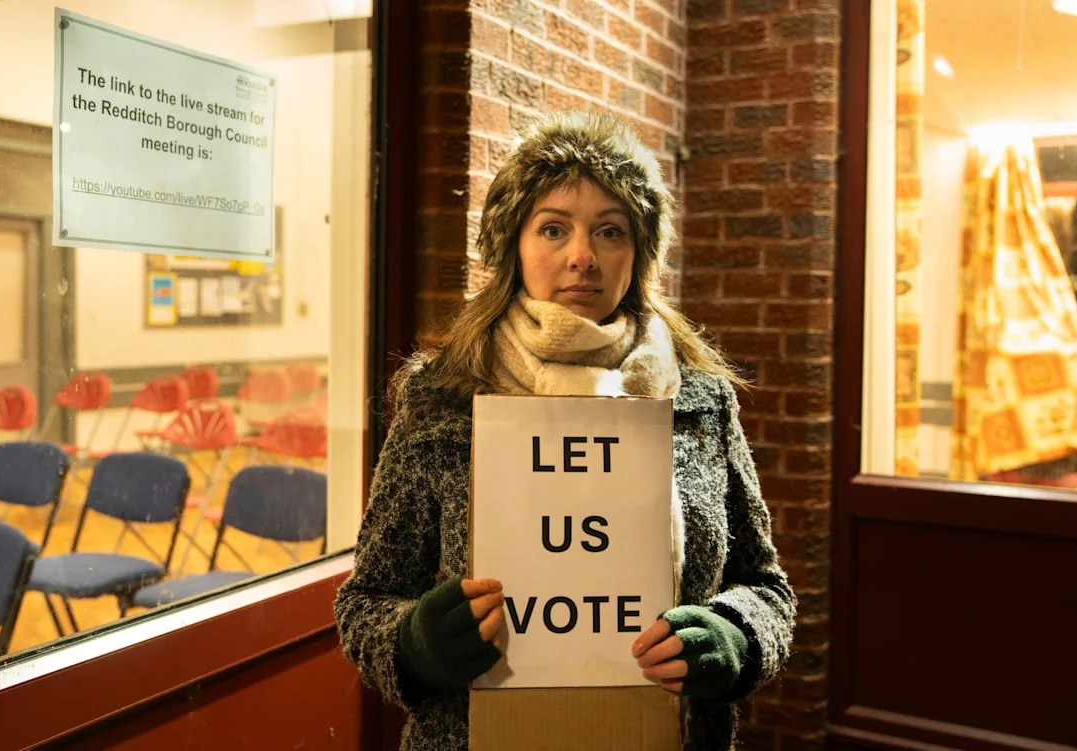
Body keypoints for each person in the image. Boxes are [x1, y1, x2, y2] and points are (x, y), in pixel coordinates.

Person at [335, 110, 796, 750]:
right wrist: (416, 643)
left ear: (637, 256)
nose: (582, 257)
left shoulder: (698, 400)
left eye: (610, 231)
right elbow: (366, 602)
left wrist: (734, 638)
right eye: (553, 228)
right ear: (513, 248)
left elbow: (767, 588)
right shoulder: (444, 399)